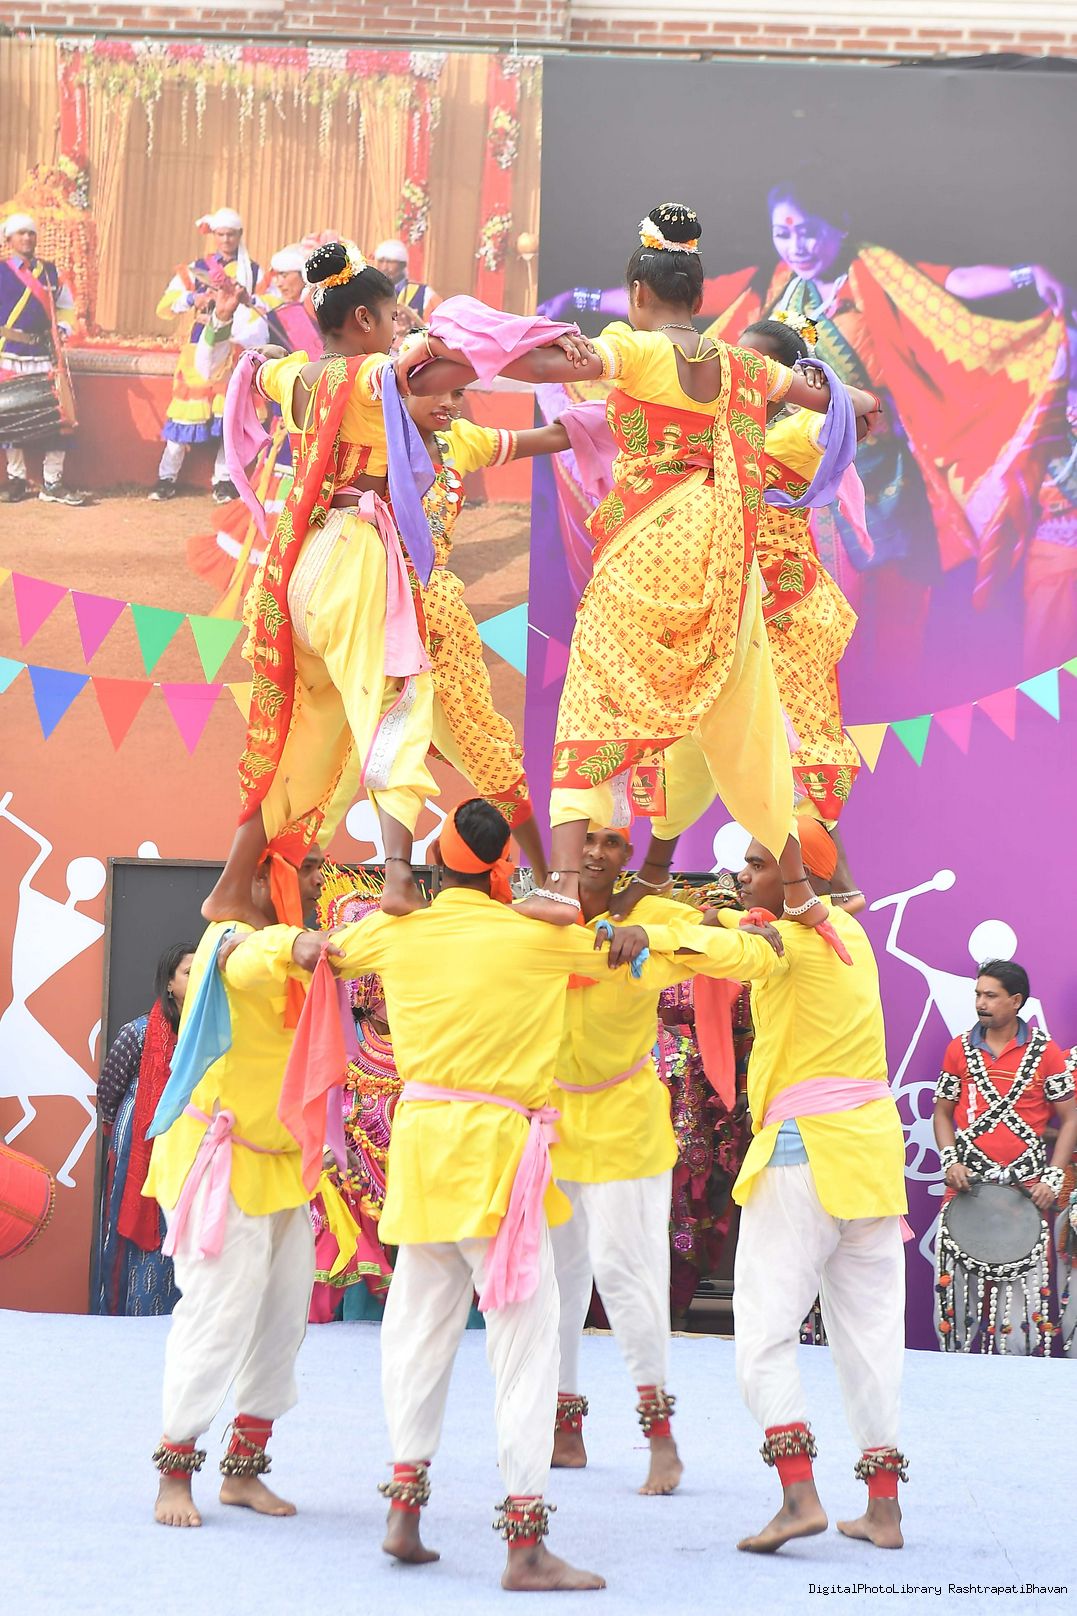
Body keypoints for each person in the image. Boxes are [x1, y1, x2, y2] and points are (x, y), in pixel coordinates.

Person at [399, 203, 858, 934]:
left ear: (638, 293)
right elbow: (850, 404)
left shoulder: (636, 349)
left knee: (592, 700)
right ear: (699, 295)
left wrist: (448, 355)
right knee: (749, 721)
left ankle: (560, 885)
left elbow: (543, 366)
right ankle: (800, 889)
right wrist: (825, 383)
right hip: (729, 557)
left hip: (651, 549)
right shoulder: (744, 367)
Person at [312, 799, 673, 1590]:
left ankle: (404, 1510)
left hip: (422, 1155)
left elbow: (319, 951)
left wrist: (273, 936)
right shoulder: (536, 938)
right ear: (503, 869)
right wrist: (612, 920)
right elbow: (620, 951)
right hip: (500, 1163)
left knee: (415, 1333)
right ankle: (524, 1545)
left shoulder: (397, 933)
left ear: (436, 868)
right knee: (523, 1347)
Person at [202, 241, 584, 931]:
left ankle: (232, 885)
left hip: (304, 562)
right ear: (361, 321)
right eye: (388, 318)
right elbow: (449, 361)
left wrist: (261, 360)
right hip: (363, 565)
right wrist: (552, 345)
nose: (397, 332)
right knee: (395, 711)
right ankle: (401, 878)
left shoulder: (299, 377)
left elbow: (261, 369)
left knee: (306, 739)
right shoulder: (374, 378)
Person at [540, 164, 1069, 631]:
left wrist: (1026, 275)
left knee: (892, 598)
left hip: (876, 466)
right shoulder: (775, 283)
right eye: (784, 233)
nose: (797, 246)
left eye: (809, 231)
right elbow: (670, 299)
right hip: (791, 466)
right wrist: (577, 298)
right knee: (800, 597)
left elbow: (954, 281)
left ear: (840, 225)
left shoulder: (874, 272)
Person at [548, 824, 783, 1498]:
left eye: (610, 842)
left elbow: (724, 940)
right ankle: (564, 1429)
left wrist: (656, 935)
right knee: (556, 1284)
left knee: (628, 1279)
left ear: (629, 856)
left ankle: (661, 1441)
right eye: (585, 838)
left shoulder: (655, 914)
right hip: (550, 1124)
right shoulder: (540, 914)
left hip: (626, 1125)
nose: (594, 852)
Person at [696, 819, 910, 1555]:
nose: (743, 874)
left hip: (801, 1157)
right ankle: (883, 1510)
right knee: (872, 1339)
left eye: (757, 863)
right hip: (871, 1160)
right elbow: (828, 888)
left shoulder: (784, 942)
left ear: (795, 878)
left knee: (762, 1334)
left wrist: (648, 934)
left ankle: (798, 1498)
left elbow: (725, 950)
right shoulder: (853, 937)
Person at [144, 849, 324, 1529]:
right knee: (218, 1315)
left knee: (282, 1318)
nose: (317, 878)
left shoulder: (298, 946)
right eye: (305, 867)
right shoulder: (231, 940)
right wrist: (296, 944)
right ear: (260, 874)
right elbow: (247, 960)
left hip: (280, 1162)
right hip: (216, 1163)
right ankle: (174, 1473)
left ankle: (243, 1472)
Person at [407, 379, 573, 877]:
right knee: (350, 748)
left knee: (483, 748)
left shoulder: (459, 440)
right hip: (367, 610)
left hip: (434, 620)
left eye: (458, 392)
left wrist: (614, 409)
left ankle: (542, 875)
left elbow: (548, 437)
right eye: (434, 387)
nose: (448, 401)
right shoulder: (368, 436)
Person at [933, 958, 1077, 1355]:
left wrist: (1052, 1178)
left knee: (1018, 1321)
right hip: (966, 1191)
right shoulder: (959, 1048)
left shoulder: (1045, 1052)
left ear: (1016, 1001)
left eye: (991, 996)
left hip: (1026, 1195)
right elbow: (942, 1113)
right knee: (953, 1312)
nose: (981, 1003)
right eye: (978, 994)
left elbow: (1070, 1117)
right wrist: (950, 1161)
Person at [95, 942, 196, 1316]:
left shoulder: (213, 1036)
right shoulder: (137, 1033)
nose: (198, 978)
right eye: (189, 972)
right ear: (169, 983)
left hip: (194, 1146)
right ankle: (129, 1315)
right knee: (138, 1228)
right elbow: (108, 1093)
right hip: (139, 1148)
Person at [150, 207, 263, 503]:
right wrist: (193, 298)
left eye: (231, 234)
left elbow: (268, 307)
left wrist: (247, 299)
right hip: (199, 346)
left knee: (230, 417)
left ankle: (223, 480)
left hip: (237, 348)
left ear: (240, 235)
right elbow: (165, 305)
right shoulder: (196, 268)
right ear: (213, 236)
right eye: (221, 234)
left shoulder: (253, 271)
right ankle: (166, 477)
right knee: (185, 413)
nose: (226, 240)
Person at [0, 212, 85, 506]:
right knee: (10, 417)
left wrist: (63, 328)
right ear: (9, 240)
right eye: (21, 233)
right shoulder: (1, 271)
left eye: (31, 233)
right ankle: (17, 479)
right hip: (9, 354)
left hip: (44, 355)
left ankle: (53, 481)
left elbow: (66, 307)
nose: (27, 238)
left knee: (57, 418)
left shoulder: (50, 272)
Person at [374, 239, 441, 322]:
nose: (384, 267)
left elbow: (439, 324)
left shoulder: (424, 293)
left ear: (403, 264)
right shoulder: (370, 291)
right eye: (381, 261)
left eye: (390, 262)